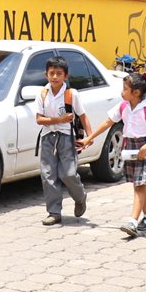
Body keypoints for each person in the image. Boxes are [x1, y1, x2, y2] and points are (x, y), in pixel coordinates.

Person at [79, 72, 146, 238]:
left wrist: (145, 148)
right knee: (138, 184)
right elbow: (107, 122)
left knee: (139, 185)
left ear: (136, 92)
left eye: (125, 89)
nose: (122, 92)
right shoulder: (123, 107)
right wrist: (89, 138)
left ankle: (133, 221)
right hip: (131, 147)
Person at [34, 56, 91, 226]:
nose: (55, 77)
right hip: (47, 138)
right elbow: (39, 119)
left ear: (65, 76)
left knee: (68, 173)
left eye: (59, 73)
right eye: (52, 73)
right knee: (48, 175)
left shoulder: (71, 94)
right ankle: (54, 212)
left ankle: (80, 197)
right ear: (46, 75)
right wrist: (58, 120)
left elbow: (82, 115)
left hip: (67, 138)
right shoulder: (42, 93)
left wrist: (90, 136)